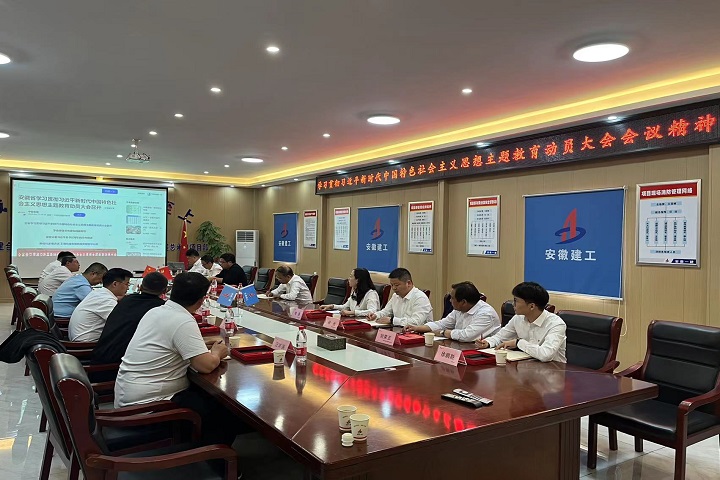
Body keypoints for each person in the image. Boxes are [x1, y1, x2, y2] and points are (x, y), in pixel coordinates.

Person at [114, 272, 240, 447]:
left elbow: (168, 342)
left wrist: (198, 344)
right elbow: (206, 366)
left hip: (128, 398)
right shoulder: (182, 320)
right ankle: (214, 457)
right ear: (201, 300)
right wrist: (218, 352)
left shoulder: (157, 311)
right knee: (225, 411)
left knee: (207, 397)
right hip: (148, 408)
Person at [91, 272, 168, 369]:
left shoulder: (126, 301)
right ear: (165, 291)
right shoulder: (161, 308)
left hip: (99, 358)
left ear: (140, 287)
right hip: (116, 366)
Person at [475, 282, 566, 362]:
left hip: (554, 371)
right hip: (527, 367)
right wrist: (487, 342)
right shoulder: (518, 318)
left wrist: (518, 343)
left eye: (516, 301)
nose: (513, 304)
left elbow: (546, 354)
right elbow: (500, 337)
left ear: (531, 306)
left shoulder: (556, 324)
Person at [406, 281, 500, 342]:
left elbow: (466, 336)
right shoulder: (460, 309)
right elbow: (442, 324)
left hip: (483, 355)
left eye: (452, 298)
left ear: (463, 302)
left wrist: (443, 332)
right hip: (462, 347)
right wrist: (417, 328)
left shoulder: (486, 314)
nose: (450, 300)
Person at [68, 268, 132, 342]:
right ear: (115, 284)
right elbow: (121, 322)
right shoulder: (105, 299)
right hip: (87, 343)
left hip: (82, 338)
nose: (128, 288)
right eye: (127, 284)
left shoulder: (99, 293)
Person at [367, 268, 432, 327]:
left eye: (396, 285)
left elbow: (416, 322)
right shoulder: (395, 296)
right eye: (392, 285)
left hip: (419, 334)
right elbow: (386, 312)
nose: (393, 288)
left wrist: (392, 320)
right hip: (399, 331)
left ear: (408, 283)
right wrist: (376, 315)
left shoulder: (420, 298)